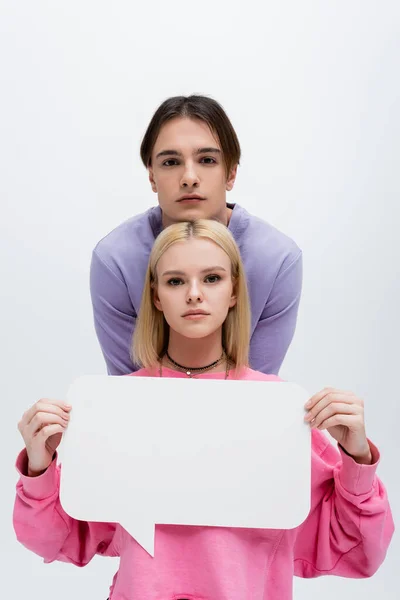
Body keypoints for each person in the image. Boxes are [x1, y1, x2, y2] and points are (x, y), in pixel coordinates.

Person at [14, 220, 393, 600]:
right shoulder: (119, 405)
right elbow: (56, 540)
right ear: (157, 296)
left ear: (234, 291)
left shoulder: (279, 412)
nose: (194, 294)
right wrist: (39, 465)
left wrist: (356, 456)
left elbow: (360, 552)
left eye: (211, 278)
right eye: (176, 281)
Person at [90, 94, 303, 376]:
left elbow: (256, 389)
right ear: (151, 176)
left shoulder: (275, 259)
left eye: (206, 159)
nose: (189, 177)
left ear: (231, 174)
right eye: (170, 162)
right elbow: (128, 388)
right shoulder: (116, 259)